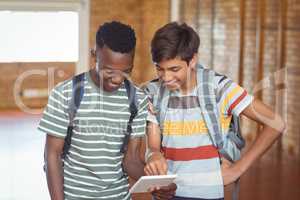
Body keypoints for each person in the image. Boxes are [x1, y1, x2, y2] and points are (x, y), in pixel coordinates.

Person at [144, 22, 286, 200]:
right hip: (166, 192)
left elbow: (276, 123)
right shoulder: (153, 91)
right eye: (159, 68)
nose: (166, 78)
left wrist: (237, 170)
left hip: (207, 193)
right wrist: (153, 155)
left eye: (174, 69)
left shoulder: (219, 88)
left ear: (193, 60)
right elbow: (154, 145)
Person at [38, 21, 148, 200]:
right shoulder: (65, 93)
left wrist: (156, 183)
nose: (118, 79)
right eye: (109, 71)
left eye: (126, 71)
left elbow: (131, 161)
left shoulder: (137, 99)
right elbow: (52, 155)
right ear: (94, 54)